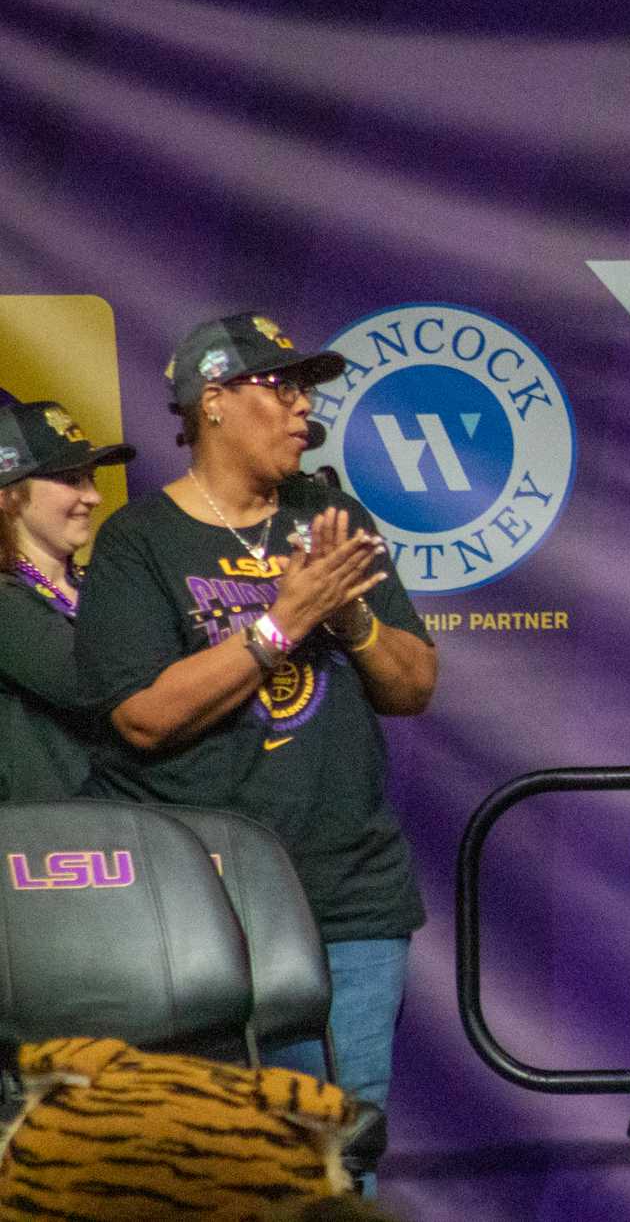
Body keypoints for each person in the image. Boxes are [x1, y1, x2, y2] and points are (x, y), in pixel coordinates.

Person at [74, 312, 437, 1179]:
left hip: (347, 902)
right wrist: (284, 621)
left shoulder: (330, 513)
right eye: (282, 387)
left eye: (307, 388)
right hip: (201, 913)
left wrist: (349, 617)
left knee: (339, 1162)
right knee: (210, 1167)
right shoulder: (140, 541)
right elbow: (143, 717)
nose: (304, 407)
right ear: (214, 402)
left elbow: (415, 684)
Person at [0, 399, 135, 803]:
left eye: (90, 478)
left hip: (131, 826)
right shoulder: (6, 601)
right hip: (44, 845)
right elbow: (95, 684)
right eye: (72, 480)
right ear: (9, 496)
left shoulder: (97, 584)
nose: (93, 497)